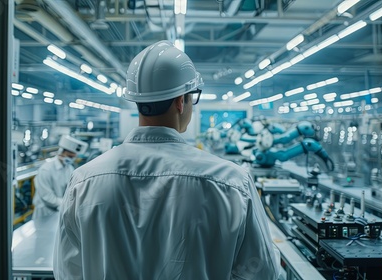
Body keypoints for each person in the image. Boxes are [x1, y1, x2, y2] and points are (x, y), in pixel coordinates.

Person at [53, 40, 280, 279]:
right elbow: (262, 272)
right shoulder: (233, 182)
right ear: (181, 101)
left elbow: (68, 273)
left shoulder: (83, 181)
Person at [32, 135, 88, 220]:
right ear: (61, 152)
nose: (71, 159)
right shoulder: (46, 170)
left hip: (59, 210)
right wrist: (67, 204)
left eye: (73, 157)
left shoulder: (69, 168)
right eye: (69, 156)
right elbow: (47, 197)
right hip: (45, 212)